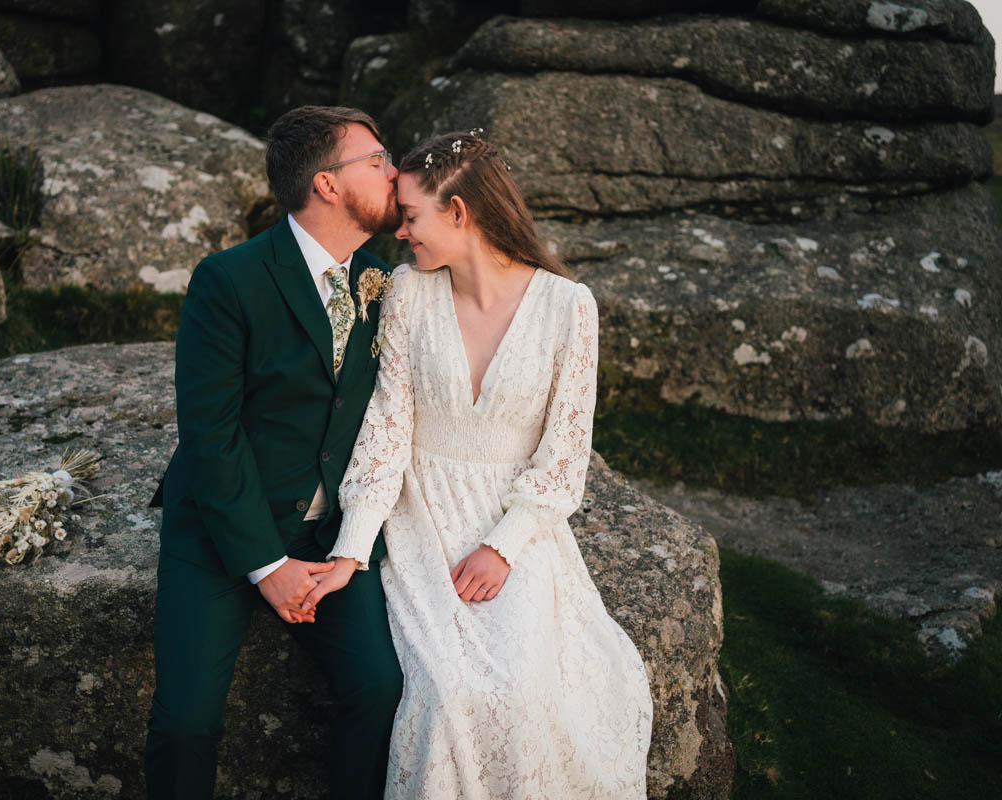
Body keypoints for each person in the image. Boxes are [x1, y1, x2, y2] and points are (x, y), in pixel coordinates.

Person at [301, 132, 655, 798]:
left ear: (459, 213)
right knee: (446, 693)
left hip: (511, 521)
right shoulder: (407, 293)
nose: (401, 234)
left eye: (411, 217)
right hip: (421, 517)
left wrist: (504, 546)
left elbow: (564, 454)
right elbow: (385, 432)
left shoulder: (567, 306)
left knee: (525, 692)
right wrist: (351, 550)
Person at [143, 105, 404, 800]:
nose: (394, 172)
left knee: (380, 689)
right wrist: (265, 564)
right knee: (188, 721)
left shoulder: (382, 280)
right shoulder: (228, 280)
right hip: (223, 528)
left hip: (330, 535)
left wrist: (345, 547)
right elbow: (211, 434)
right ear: (326, 184)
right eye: (377, 160)